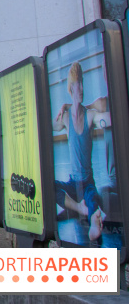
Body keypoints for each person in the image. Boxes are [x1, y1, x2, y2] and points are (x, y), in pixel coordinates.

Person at [52, 62, 110, 243]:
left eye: (83, 83)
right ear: (71, 88)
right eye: (78, 84)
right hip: (72, 182)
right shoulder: (66, 118)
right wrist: (65, 107)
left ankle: (91, 213)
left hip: (87, 183)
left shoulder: (90, 115)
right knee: (49, 186)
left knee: (92, 201)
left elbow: (106, 111)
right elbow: (50, 125)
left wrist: (70, 104)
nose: (82, 88)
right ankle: (79, 208)